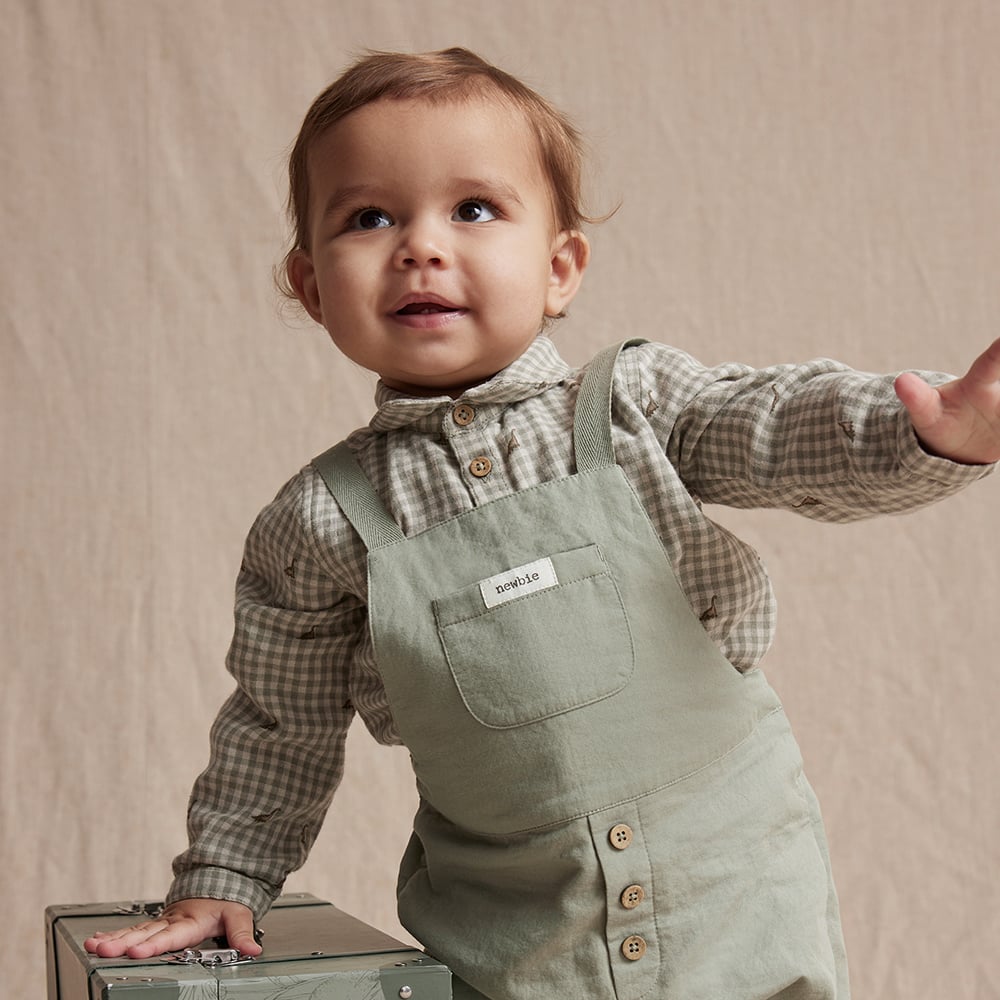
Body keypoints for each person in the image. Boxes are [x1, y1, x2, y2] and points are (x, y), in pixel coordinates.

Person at [85, 47, 1000, 999]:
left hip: (735, 894)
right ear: (313, 288)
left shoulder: (635, 407)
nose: (421, 246)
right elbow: (279, 724)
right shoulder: (319, 522)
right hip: (516, 940)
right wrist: (225, 879)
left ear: (560, 268)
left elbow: (778, 422)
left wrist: (930, 430)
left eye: (473, 209)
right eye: (369, 217)